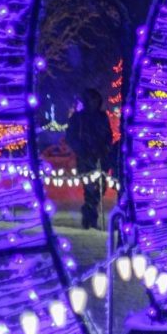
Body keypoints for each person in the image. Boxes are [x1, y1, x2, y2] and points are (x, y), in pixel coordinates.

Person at [65, 89, 114, 230]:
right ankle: (89, 218)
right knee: (90, 188)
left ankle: (90, 212)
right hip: (86, 157)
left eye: (96, 100)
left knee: (100, 188)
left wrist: (105, 147)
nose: (94, 102)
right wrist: (82, 150)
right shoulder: (78, 118)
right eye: (92, 100)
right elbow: (71, 137)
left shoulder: (102, 116)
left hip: (101, 157)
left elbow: (108, 135)